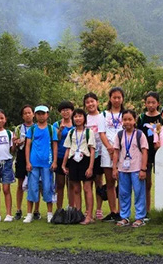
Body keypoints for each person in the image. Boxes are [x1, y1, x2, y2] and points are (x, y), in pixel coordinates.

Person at [112, 109, 149, 227]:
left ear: (134, 120)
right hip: (123, 169)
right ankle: (124, 217)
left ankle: (140, 218)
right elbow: (116, 152)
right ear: (122, 121)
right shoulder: (119, 135)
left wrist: (143, 169)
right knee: (123, 193)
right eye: (125, 119)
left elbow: (145, 152)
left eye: (130, 119)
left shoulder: (140, 134)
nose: (127, 122)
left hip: (137, 169)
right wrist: (114, 168)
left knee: (139, 193)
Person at [23, 105, 58, 223]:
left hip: (47, 163)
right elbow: (27, 146)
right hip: (34, 163)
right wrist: (28, 162)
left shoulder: (51, 129)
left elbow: (55, 146)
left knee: (48, 187)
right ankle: (29, 214)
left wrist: (54, 161)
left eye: (43, 113)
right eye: (38, 114)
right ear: (35, 115)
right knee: (32, 188)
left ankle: (49, 213)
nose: (41, 116)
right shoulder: (32, 129)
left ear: (47, 114)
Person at [61, 107, 95, 225]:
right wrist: (64, 164)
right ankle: (78, 214)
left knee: (87, 188)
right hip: (73, 161)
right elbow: (67, 149)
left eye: (80, 116)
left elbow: (92, 150)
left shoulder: (89, 132)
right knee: (76, 189)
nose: (78, 118)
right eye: (75, 116)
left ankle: (89, 215)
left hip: (85, 160)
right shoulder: (71, 132)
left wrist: (90, 167)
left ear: (84, 118)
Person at [99, 87, 125, 222]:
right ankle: (113, 211)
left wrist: (118, 149)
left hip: (124, 151)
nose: (116, 100)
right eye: (114, 97)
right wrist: (110, 148)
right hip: (107, 150)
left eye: (119, 97)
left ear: (122, 99)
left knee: (122, 182)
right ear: (110, 98)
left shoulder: (125, 114)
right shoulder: (103, 115)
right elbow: (101, 133)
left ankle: (122, 211)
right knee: (110, 182)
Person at [137, 91, 163, 217]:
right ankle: (146, 210)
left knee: (161, 181)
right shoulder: (142, 118)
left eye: (153, 102)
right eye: (148, 102)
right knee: (146, 183)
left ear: (158, 103)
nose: (151, 105)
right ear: (145, 104)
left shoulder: (162, 117)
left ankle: (162, 209)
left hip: (159, 152)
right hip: (145, 153)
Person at [84, 92, 107, 221]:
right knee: (87, 182)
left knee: (99, 181)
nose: (90, 104)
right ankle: (88, 210)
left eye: (92, 101)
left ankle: (99, 209)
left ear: (97, 102)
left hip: (101, 153)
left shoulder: (103, 116)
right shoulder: (84, 118)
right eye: (87, 102)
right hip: (87, 154)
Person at [12, 105, 39, 220]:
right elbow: (14, 146)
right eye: (25, 113)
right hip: (21, 157)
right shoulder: (19, 128)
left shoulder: (38, 127)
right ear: (22, 116)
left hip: (35, 156)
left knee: (36, 184)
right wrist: (16, 142)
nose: (27, 115)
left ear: (33, 114)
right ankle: (18, 210)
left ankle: (36, 210)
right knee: (20, 184)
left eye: (29, 112)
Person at [54, 100, 74, 210]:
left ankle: (71, 207)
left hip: (73, 157)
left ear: (72, 111)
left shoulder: (76, 123)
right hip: (60, 156)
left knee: (71, 183)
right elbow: (55, 140)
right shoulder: (56, 125)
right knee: (60, 184)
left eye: (67, 110)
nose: (65, 112)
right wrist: (60, 131)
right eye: (63, 110)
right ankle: (59, 209)